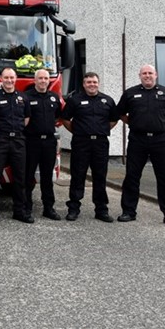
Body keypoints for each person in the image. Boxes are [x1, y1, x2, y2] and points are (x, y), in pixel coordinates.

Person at [61, 72, 118, 222]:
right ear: (84, 84)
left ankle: (101, 210)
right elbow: (65, 119)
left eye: (94, 82)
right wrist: (79, 131)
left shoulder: (107, 100)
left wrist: (100, 131)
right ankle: (73, 208)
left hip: (100, 143)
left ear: (98, 83)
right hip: (81, 143)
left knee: (100, 176)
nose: (92, 85)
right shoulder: (75, 100)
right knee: (77, 175)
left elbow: (113, 120)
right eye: (88, 82)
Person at [116, 64, 165, 223]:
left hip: (161, 140)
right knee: (132, 176)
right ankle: (129, 212)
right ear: (140, 76)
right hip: (138, 140)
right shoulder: (130, 93)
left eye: (150, 73)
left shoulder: (164, 92)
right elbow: (120, 113)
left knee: (164, 177)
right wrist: (134, 122)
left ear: (156, 75)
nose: (147, 76)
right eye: (144, 73)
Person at [0, 67, 32, 224]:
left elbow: (26, 119)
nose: (9, 80)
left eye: (12, 77)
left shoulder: (23, 98)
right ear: (1, 79)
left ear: (15, 79)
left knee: (20, 177)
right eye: (6, 78)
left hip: (18, 140)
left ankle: (19, 211)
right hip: (0, 140)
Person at [24, 69, 64, 221]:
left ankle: (49, 208)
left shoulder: (54, 98)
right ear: (35, 80)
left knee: (47, 177)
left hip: (49, 141)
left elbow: (58, 116)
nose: (43, 81)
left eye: (46, 78)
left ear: (49, 81)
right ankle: (26, 208)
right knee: (28, 177)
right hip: (31, 141)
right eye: (40, 78)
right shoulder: (26, 97)